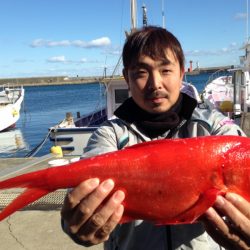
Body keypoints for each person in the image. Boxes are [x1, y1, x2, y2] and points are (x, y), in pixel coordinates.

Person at [61, 26, 250, 250]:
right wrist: (73, 223)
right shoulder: (109, 134)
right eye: (141, 72)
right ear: (127, 79)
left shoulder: (215, 128)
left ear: (182, 73)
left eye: (166, 70)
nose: (155, 83)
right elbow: (83, 187)